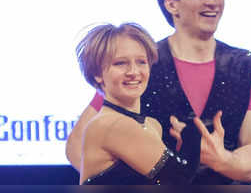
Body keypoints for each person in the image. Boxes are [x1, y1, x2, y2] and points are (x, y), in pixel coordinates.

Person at [66, 0, 251, 184]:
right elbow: (77, 145)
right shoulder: (137, 64)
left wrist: (220, 159)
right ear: (171, 4)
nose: (212, 0)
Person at [74, 22, 202, 185]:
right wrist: (193, 133)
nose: (134, 72)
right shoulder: (111, 124)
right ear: (97, 73)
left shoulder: (151, 124)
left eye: (141, 62)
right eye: (120, 63)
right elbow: (177, 179)